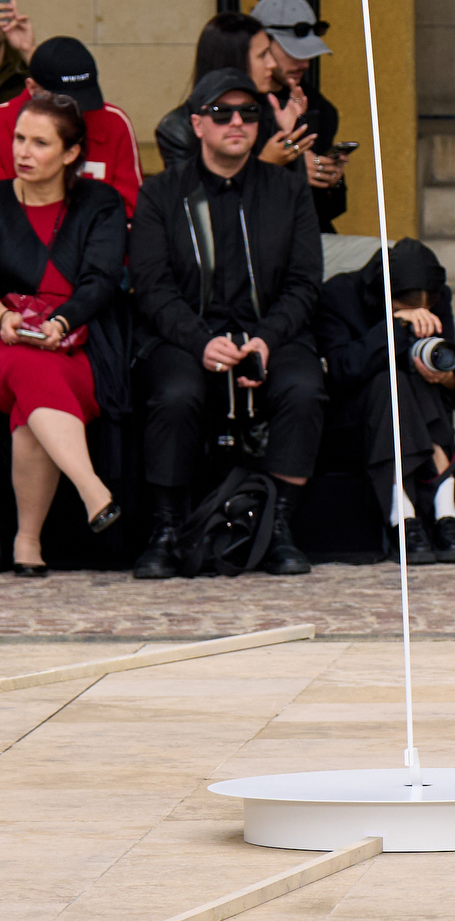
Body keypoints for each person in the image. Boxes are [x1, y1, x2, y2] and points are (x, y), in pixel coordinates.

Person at [127, 69, 324, 578]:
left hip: (271, 330)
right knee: (174, 392)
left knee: (302, 387)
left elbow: (305, 282)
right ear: (196, 124)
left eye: (249, 113)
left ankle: (278, 526)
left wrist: (268, 337)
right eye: (221, 113)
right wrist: (201, 342)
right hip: (186, 333)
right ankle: (167, 528)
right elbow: (151, 286)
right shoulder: (162, 193)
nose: (236, 122)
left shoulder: (288, 189)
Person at [3, 93, 127, 575]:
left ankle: (26, 544)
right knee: (28, 363)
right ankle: (91, 490)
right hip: (6, 343)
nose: (23, 153)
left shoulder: (101, 203)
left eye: (39, 142)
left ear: (71, 152)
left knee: (31, 398)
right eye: (18, 138)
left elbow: (100, 280)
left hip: (80, 345)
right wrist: (3, 318)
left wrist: (60, 322)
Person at [317, 239, 455, 564]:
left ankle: (425, 516)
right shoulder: (340, 295)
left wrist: (445, 376)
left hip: (416, 413)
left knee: (416, 380)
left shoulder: (437, 299)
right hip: (356, 420)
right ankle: (420, 512)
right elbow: (342, 372)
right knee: (389, 380)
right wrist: (393, 328)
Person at [154, 12, 311, 175]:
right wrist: (266, 163)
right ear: (235, 61)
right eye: (263, 55)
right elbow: (194, 196)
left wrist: (288, 134)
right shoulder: (178, 130)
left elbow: (298, 194)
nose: (272, 64)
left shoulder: (272, 112)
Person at [0, 37, 142, 217]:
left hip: (100, 240)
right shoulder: (3, 121)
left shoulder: (113, 121)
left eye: (83, 100)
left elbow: (131, 211)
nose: (75, 111)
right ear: (32, 88)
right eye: (63, 102)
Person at [252, 0, 352, 231]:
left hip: (305, 235)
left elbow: (329, 211)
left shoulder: (319, 107)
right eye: (291, 51)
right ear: (261, 47)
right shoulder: (236, 108)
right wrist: (289, 166)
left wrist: (331, 180)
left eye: (308, 53)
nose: (304, 63)